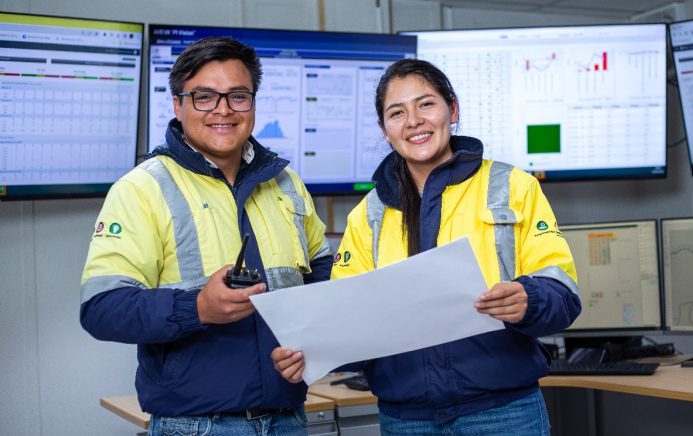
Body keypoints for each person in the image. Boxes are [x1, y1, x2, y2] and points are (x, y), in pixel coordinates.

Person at [272, 59, 581, 435]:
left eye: (426, 104)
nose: (413, 121)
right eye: (397, 112)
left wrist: (529, 299)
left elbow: (562, 293)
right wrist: (310, 352)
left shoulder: (513, 187)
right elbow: (349, 326)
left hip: (503, 413)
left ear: (452, 110)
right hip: (406, 420)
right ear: (385, 130)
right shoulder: (367, 215)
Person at [80, 37, 332, 436]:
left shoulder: (286, 183)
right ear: (178, 105)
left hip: (289, 419)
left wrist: (317, 340)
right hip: (197, 425)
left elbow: (321, 273)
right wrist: (197, 308)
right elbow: (102, 308)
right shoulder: (141, 188)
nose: (223, 110)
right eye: (203, 97)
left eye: (238, 96)